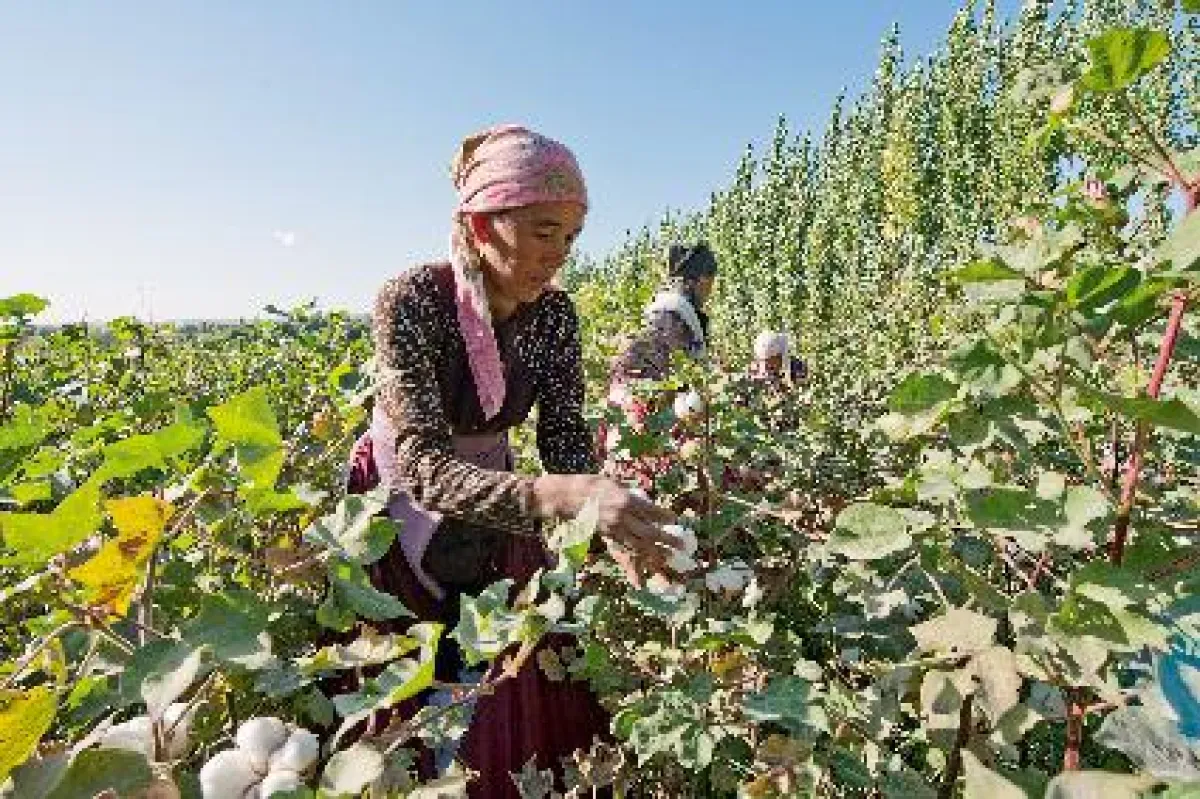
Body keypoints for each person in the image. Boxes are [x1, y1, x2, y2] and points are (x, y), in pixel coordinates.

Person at [343, 123, 678, 797]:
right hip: (397, 506)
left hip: (495, 497)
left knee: (505, 687)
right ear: (481, 222)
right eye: (542, 230)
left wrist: (611, 534)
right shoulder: (412, 300)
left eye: (570, 237)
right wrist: (565, 497)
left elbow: (564, 448)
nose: (557, 256)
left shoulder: (554, 318)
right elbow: (429, 471)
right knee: (404, 689)